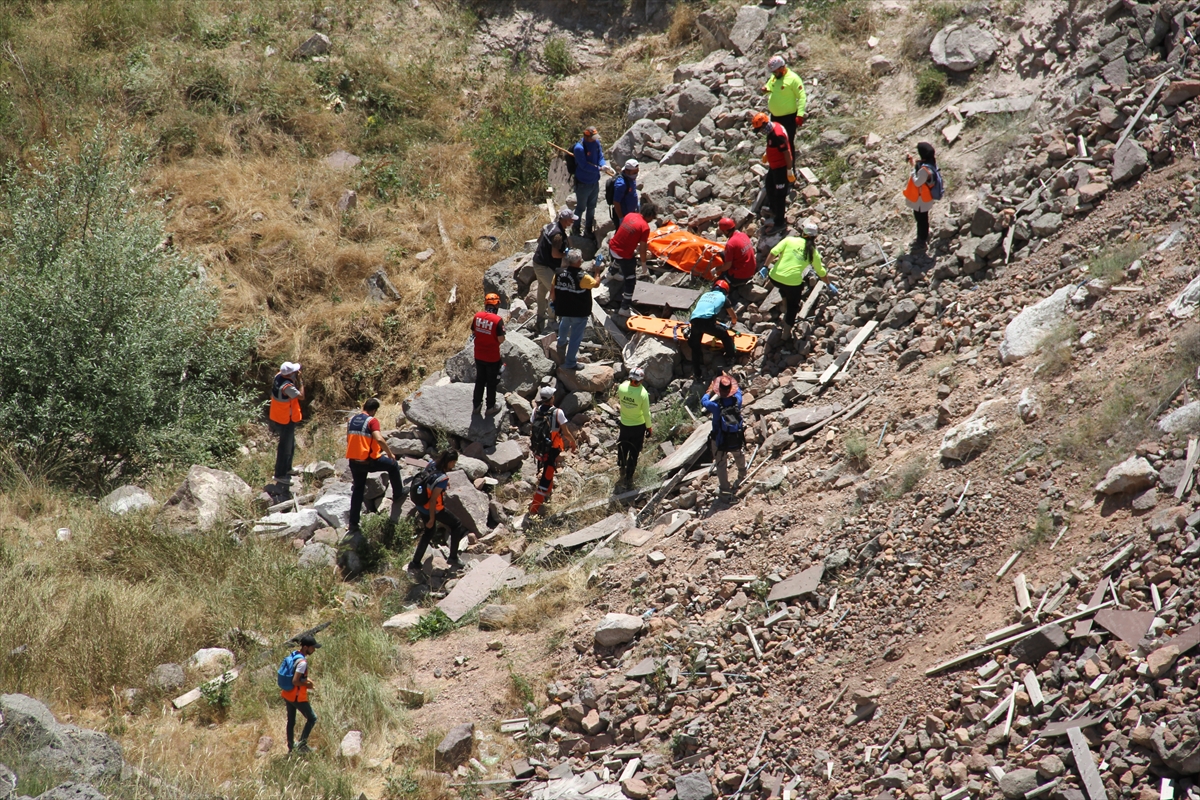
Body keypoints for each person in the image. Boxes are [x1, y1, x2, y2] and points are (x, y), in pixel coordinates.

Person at [763, 221, 836, 336]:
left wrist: (765, 266)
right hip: (792, 284)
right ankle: (786, 334)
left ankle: (784, 299)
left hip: (774, 278)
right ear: (815, 237)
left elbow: (773, 252)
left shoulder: (789, 240)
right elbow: (820, 271)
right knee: (793, 306)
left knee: (783, 285)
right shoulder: (813, 252)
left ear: (803, 232)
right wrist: (828, 283)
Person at [346, 398, 405, 536]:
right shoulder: (372, 421)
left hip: (354, 461)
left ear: (364, 406)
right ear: (373, 410)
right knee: (393, 466)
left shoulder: (351, 420)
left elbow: (349, 439)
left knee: (358, 490)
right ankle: (398, 494)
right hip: (369, 461)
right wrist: (389, 454)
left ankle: (353, 524)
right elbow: (378, 438)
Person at [407, 449, 469, 572]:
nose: (454, 465)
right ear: (450, 462)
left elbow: (428, 478)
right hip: (432, 508)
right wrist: (432, 518)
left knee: (429, 533)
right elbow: (433, 501)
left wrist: (443, 484)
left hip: (420, 503)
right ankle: (453, 558)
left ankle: (415, 563)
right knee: (456, 524)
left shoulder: (432, 463)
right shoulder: (442, 479)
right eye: (454, 463)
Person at [528, 387, 578, 515]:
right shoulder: (557, 412)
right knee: (546, 477)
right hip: (552, 449)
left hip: (539, 448)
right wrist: (573, 442)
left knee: (548, 471)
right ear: (552, 398)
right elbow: (565, 432)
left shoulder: (535, 411)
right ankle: (534, 508)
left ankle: (547, 493)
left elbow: (533, 428)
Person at [552, 250, 600, 370]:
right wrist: (597, 270)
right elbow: (596, 284)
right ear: (578, 261)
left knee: (564, 323)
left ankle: (561, 342)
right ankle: (570, 363)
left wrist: (553, 302)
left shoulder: (559, 273)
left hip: (564, 308)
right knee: (575, 338)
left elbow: (553, 289)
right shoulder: (583, 277)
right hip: (579, 312)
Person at [701, 375, 747, 499]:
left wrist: (709, 390)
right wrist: (728, 377)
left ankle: (725, 489)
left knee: (721, 464)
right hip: (735, 436)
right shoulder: (737, 401)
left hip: (719, 439)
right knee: (738, 454)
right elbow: (738, 390)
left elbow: (704, 401)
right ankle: (743, 475)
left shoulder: (715, 406)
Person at [532, 208, 575, 333]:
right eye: (571, 220)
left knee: (542, 290)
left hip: (538, 262)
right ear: (565, 220)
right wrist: (566, 255)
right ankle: (551, 321)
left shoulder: (551, 226)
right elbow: (555, 254)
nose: (572, 222)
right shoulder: (558, 235)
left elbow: (539, 239)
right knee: (555, 292)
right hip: (544, 266)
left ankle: (540, 317)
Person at [751, 112, 793, 233]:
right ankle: (774, 210)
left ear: (765, 124)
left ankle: (780, 222)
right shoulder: (772, 128)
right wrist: (768, 153)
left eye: (760, 129)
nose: (760, 132)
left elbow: (786, 152)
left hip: (781, 168)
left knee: (780, 195)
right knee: (769, 186)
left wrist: (789, 170)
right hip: (774, 167)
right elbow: (774, 145)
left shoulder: (777, 135)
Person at [279, 633, 320, 754]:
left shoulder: (294, 654)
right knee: (312, 718)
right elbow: (295, 681)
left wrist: (307, 680)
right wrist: (308, 685)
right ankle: (302, 745)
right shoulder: (302, 663)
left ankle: (291, 747)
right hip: (296, 697)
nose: (314, 650)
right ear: (306, 647)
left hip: (287, 694)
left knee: (291, 721)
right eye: (313, 647)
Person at [688, 279, 737, 381]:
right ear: (725, 291)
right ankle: (730, 357)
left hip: (695, 321)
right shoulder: (723, 297)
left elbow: (704, 310)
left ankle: (697, 373)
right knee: (724, 335)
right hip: (707, 322)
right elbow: (733, 316)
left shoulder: (705, 295)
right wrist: (733, 323)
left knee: (695, 348)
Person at [269, 362, 304, 498]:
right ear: (289, 374)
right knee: (284, 447)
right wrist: (301, 381)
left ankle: (288, 468)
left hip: (279, 416)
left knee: (291, 444)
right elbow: (301, 396)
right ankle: (280, 474)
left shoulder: (278, 376)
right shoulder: (287, 387)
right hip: (285, 419)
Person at [762, 55, 807, 156]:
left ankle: (790, 165)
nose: (774, 74)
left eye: (775, 71)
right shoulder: (775, 77)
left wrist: (800, 115)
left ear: (782, 68)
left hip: (788, 118)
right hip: (775, 117)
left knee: (787, 143)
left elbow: (802, 97)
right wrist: (766, 88)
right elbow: (770, 85)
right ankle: (776, 165)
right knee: (773, 141)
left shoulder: (793, 79)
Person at [609, 210, 650, 315]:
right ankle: (624, 307)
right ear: (650, 216)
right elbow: (643, 249)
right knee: (630, 280)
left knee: (620, 256)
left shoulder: (630, 215)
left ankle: (612, 272)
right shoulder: (645, 227)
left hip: (612, 247)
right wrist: (644, 264)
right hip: (622, 254)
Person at [616, 367, 652, 486]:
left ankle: (621, 466)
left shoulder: (622, 388)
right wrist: (649, 427)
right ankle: (628, 478)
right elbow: (646, 413)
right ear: (641, 380)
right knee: (634, 452)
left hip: (625, 424)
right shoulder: (643, 393)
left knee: (623, 446)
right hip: (638, 426)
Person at [572, 127, 611, 239]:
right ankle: (575, 228)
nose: (594, 140)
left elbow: (600, 156)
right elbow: (584, 166)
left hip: (594, 182)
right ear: (586, 136)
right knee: (580, 208)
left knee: (592, 207)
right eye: (592, 138)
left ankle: (588, 229)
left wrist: (603, 165)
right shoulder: (579, 148)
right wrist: (599, 169)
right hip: (583, 183)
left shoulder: (596, 143)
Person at [472, 293, 506, 413]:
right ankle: (490, 407)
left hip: (478, 354)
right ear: (497, 305)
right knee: (491, 382)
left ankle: (476, 405)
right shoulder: (497, 320)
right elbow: (501, 339)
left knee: (480, 380)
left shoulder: (477, 316)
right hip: (492, 357)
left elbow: (474, 333)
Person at [903, 141, 941, 249]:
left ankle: (921, 241)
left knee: (921, 220)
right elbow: (920, 168)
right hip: (925, 199)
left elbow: (917, 182)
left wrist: (912, 171)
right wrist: (913, 162)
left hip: (921, 200)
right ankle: (924, 236)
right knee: (923, 219)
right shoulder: (931, 163)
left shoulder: (924, 170)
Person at [714, 217, 756, 291]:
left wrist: (716, 269)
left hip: (740, 277)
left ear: (725, 231)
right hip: (751, 271)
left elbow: (727, 266)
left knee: (718, 283)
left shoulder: (730, 244)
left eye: (723, 231)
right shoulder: (743, 235)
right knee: (723, 254)